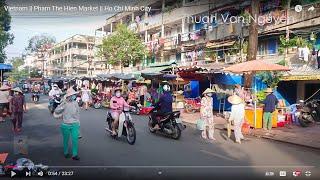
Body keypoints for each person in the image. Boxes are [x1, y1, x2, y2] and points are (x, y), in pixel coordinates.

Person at [54, 87, 81, 160]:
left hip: (74, 124)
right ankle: (66, 153)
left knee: (75, 140)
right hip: (65, 125)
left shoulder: (75, 103)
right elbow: (56, 111)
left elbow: (78, 114)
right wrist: (63, 105)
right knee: (66, 140)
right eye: (72, 95)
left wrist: (79, 124)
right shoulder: (64, 103)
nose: (73, 96)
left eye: (73, 95)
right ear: (68, 96)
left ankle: (75, 155)